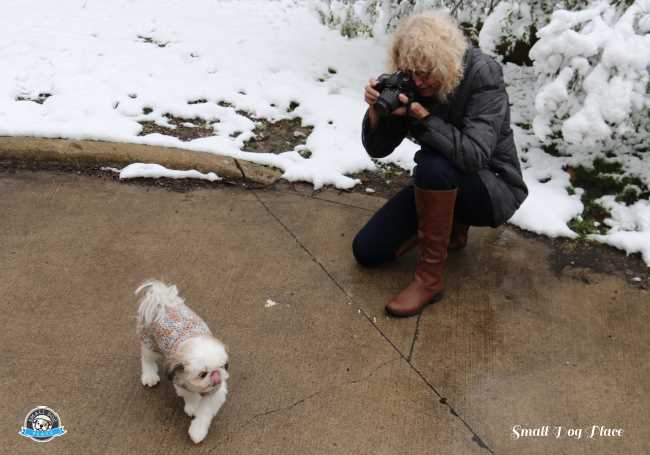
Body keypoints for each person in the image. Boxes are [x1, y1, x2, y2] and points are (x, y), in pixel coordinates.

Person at [353, 10, 528, 318]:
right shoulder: (412, 82)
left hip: (493, 186)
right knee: (367, 251)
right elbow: (378, 150)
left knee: (434, 166)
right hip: (445, 182)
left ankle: (429, 280)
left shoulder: (482, 74)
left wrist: (422, 118)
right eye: (410, 73)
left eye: (425, 74)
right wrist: (377, 113)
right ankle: (453, 230)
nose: (418, 83)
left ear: (445, 63)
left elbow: (474, 154)